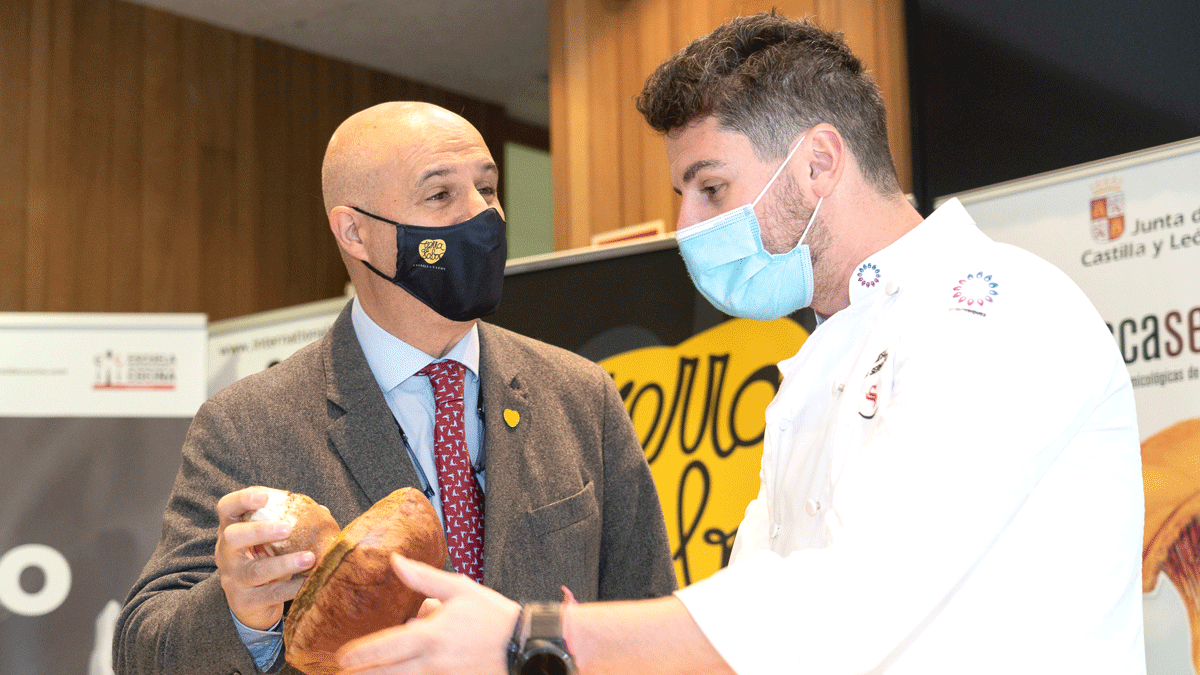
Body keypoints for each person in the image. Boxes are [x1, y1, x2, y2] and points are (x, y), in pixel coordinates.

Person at [331, 14, 1146, 675]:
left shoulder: (995, 315)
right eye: (684, 193)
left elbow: (852, 600)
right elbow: (750, 607)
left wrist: (532, 635)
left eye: (711, 186)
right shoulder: (825, 360)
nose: (687, 226)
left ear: (819, 161)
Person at [113, 101, 676, 675]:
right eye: (441, 196)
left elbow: (652, 616)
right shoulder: (248, 424)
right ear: (354, 232)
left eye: (487, 188)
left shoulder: (582, 396)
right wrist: (241, 613)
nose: (482, 215)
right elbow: (141, 649)